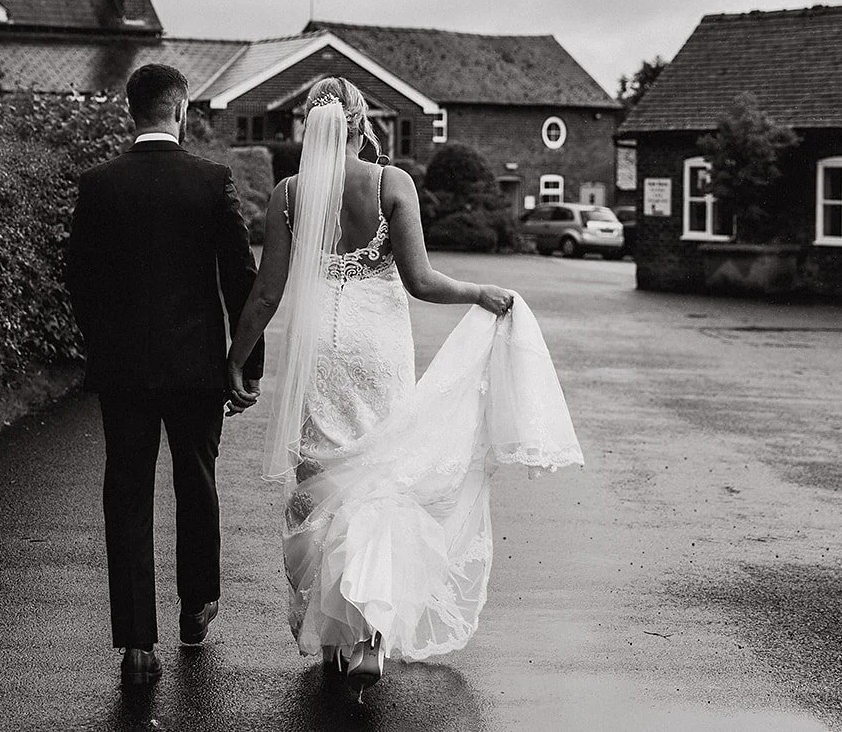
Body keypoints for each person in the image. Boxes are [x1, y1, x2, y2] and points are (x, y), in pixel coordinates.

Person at [224, 76, 582, 698]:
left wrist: (237, 358)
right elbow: (419, 280)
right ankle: (370, 637)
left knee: (321, 482)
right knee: (381, 479)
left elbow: (266, 293)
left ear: (311, 126)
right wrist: (478, 292)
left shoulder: (289, 194)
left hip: (320, 348)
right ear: (361, 122)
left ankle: (332, 638)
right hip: (377, 346)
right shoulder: (392, 183)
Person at [63, 63, 264, 686]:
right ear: (181, 111)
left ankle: (136, 644)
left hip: (122, 370)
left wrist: (103, 346)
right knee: (196, 482)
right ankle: (196, 606)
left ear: (131, 111)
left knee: (126, 491)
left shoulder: (99, 184)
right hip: (196, 368)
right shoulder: (210, 181)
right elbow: (239, 275)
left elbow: (78, 278)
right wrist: (245, 364)